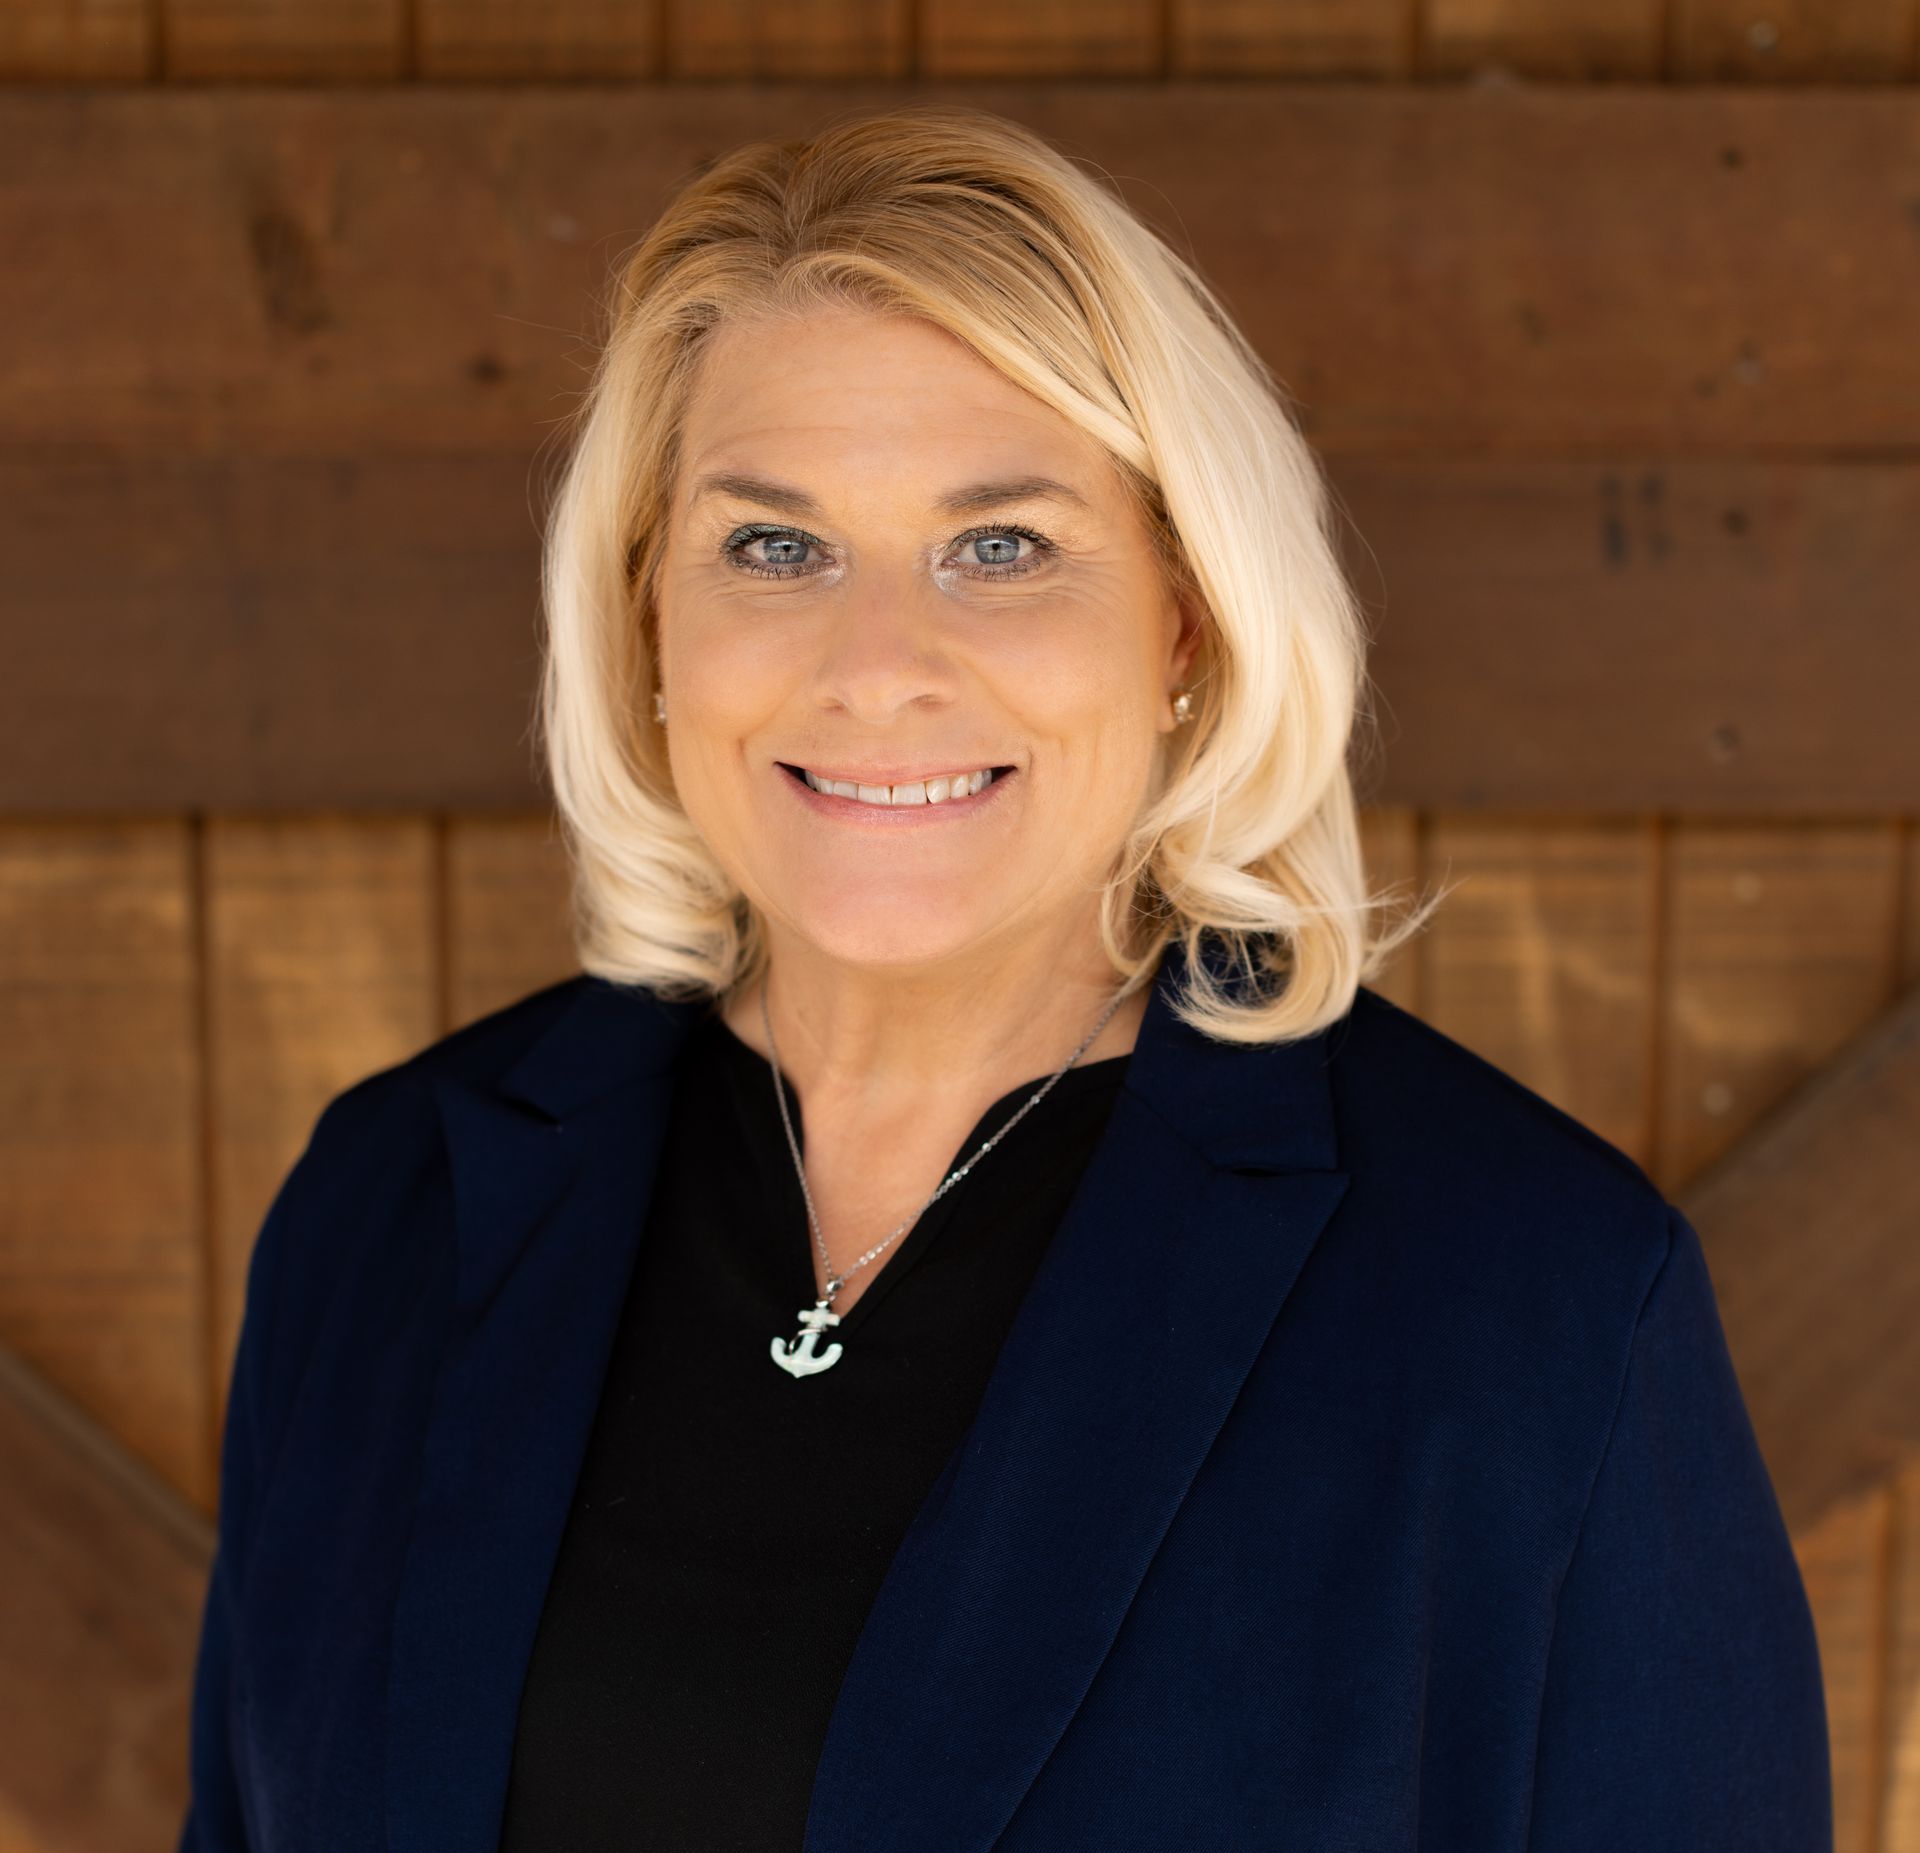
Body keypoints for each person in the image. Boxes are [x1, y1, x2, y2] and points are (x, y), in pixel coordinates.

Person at [178, 104, 1832, 1851]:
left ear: (1186, 621)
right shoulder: (392, 1206)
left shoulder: (1536, 1304)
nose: (878, 668)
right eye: (773, 544)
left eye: (1002, 546)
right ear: (647, 616)